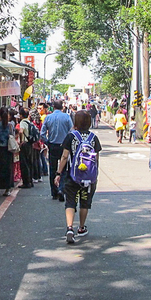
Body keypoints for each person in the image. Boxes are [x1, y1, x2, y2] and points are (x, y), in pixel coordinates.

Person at [54, 110, 102, 244]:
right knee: (85, 202)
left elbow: (64, 156)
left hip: (72, 175)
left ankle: (70, 228)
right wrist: (94, 175)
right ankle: (81, 227)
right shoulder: (93, 138)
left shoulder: (71, 137)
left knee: (70, 201)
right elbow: (96, 159)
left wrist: (58, 173)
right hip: (88, 177)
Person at [40, 100, 73, 201]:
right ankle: (61, 189)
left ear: (53, 107)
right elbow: (72, 131)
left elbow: (42, 133)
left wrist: (47, 142)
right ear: (62, 107)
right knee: (63, 169)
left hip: (52, 145)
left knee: (53, 169)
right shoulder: (67, 117)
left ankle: (54, 192)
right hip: (64, 147)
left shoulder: (48, 117)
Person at [17, 107, 35, 188]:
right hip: (30, 144)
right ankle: (30, 180)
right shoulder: (29, 122)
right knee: (30, 163)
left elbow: (21, 131)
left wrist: (21, 141)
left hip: (25, 144)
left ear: (21, 115)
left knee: (24, 163)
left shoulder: (23, 122)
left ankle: (26, 182)